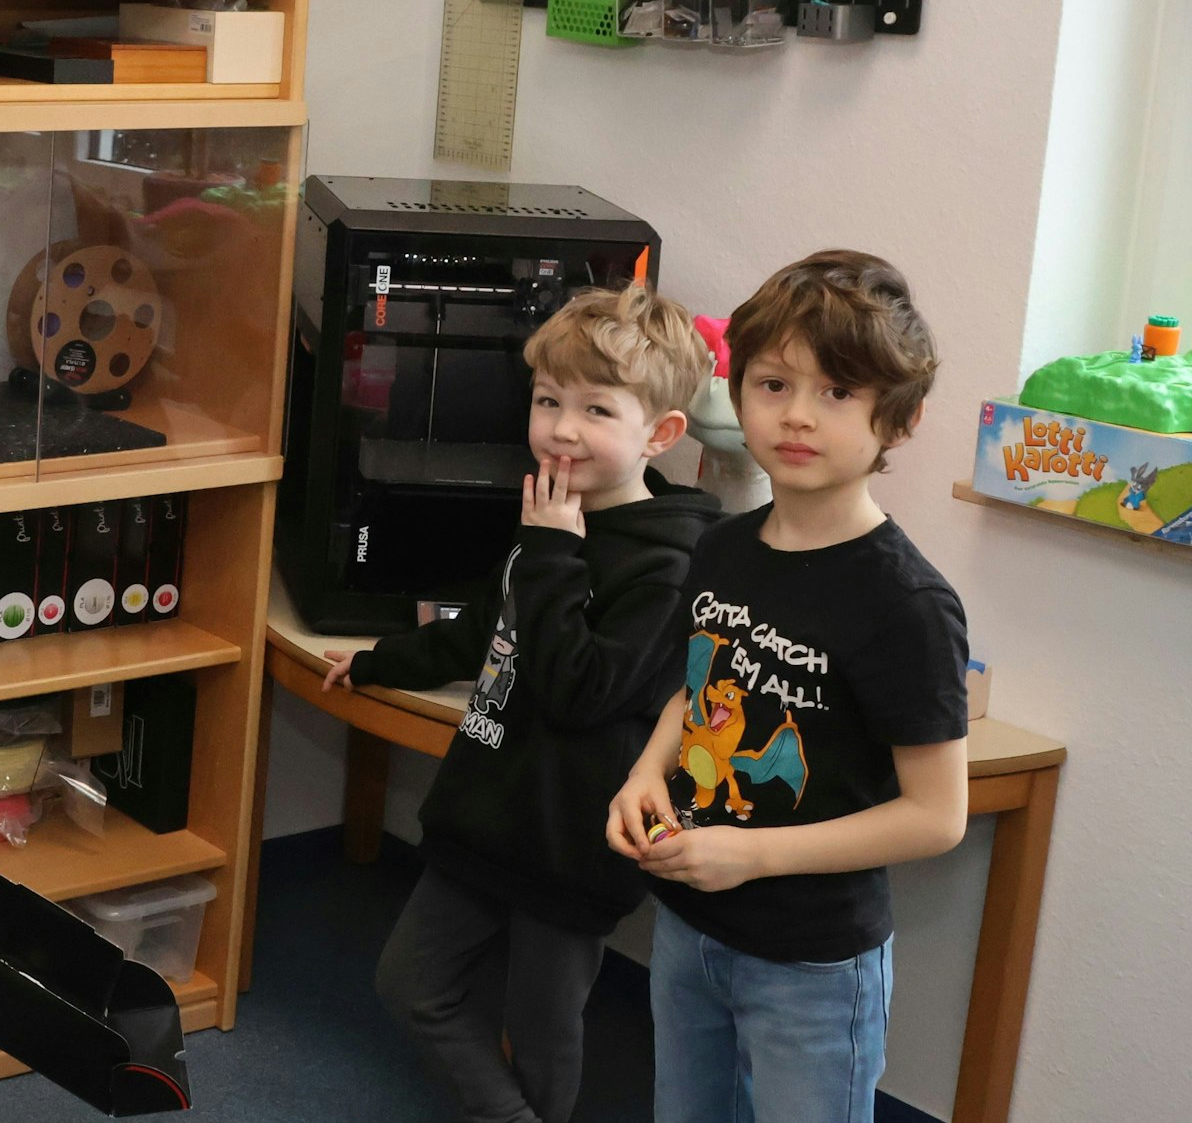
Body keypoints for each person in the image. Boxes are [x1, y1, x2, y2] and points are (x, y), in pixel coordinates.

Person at [323, 284, 723, 1123]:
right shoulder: (553, 512)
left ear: (661, 434)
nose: (561, 428)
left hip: (571, 839)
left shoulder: (666, 560)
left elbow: (583, 689)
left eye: (595, 409)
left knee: (541, 1031)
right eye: (548, 401)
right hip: (486, 813)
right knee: (411, 985)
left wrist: (550, 553)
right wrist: (376, 662)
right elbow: (486, 629)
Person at [606, 249, 970, 1123]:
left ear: (900, 418)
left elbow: (936, 814)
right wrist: (645, 773)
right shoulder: (724, 547)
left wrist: (754, 854)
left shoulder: (906, 603)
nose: (798, 415)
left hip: (813, 966)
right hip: (691, 928)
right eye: (773, 384)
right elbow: (696, 689)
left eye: (837, 392)